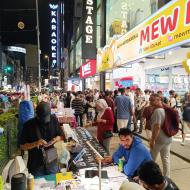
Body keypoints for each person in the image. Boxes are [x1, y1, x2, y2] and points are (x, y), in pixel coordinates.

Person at [20, 102, 63, 176]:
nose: (45, 120)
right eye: (43, 118)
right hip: (36, 164)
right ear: (37, 115)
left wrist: (54, 140)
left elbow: (60, 135)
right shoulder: (28, 125)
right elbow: (22, 146)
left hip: (52, 160)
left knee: (55, 183)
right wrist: (35, 143)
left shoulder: (53, 119)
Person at [149, 94, 172, 177]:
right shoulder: (166, 109)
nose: (150, 101)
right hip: (168, 138)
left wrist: (153, 139)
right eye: (150, 99)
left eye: (152, 100)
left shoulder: (157, 111)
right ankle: (167, 177)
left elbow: (157, 127)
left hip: (159, 140)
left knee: (151, 158)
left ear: (158, 100)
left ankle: (150, 176)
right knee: (166, 158)